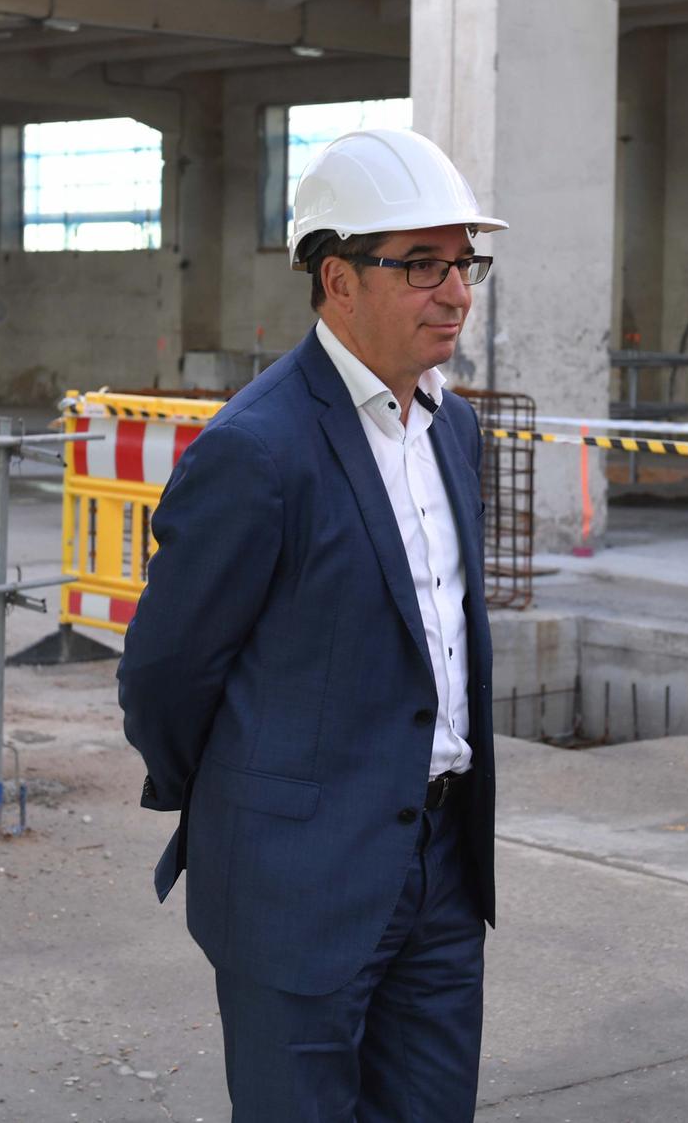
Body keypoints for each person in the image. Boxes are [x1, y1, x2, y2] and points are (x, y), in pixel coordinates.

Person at [118, 127, 503, 1121]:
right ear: (336, 277)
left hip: (442, 866)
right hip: (297, 881)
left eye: (463, 262)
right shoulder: (259, 449)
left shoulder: (454, 429)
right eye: (421, 264)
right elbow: (164, 677)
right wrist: (255, 807)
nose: (454, 290)